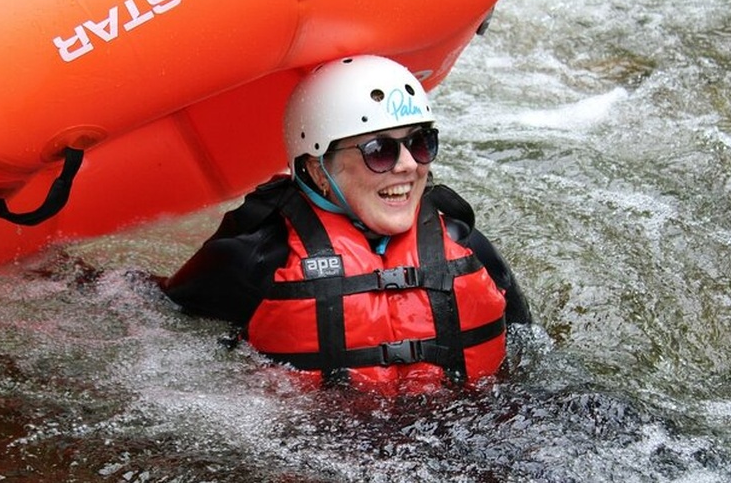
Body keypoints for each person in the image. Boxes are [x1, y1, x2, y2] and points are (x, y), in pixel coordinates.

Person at [159, 55, 530, 391]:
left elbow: (530, 350)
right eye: (379, 151)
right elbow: (160, 321)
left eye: (420, 143)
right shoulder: (259, 257)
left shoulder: (465, 244)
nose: (407, 165)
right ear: (318, 169)